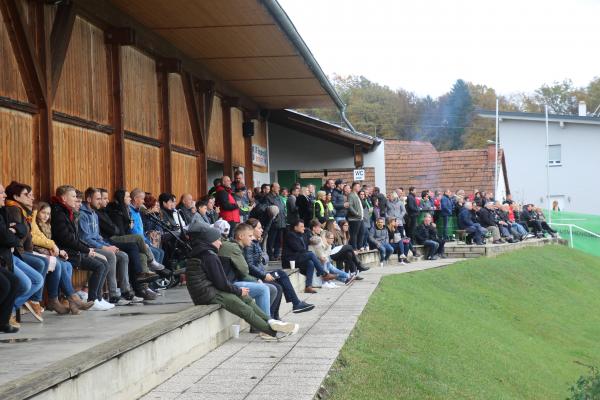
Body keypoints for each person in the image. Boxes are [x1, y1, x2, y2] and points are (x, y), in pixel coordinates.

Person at [185, 224, 299, 341]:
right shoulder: (209, 256)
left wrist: (239, 292)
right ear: (208, 241)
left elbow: (219, 282)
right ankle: (271, 331)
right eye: (217, 240)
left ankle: (270, 320)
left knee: (246, 299)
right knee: (243, 308)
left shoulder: (201, 253)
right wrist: (238, 291)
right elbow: (221, 283)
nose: (220, 243)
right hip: (207, 294)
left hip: (207, 291)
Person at [51, 185, 112, 310]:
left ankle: (97, 298)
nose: (76, 199)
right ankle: (93, 300)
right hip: (68, 253)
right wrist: (86, 249)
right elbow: (66, 239)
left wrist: (87, 249)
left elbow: (75, 238)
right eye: (73, 197)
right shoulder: (59, 214)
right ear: (63, 198)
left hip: (74, 251)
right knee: (100, 265)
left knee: (104, 263)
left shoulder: (67, 212)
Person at [32, 202, 94, 314]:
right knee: (59, 264)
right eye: (43, 213)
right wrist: (56, 250)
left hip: (49, 253)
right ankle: (58, 299)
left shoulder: (48, 225)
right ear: (37, 213)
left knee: (68, 264)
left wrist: (59, 251)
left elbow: (50, 243)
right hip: (38, 253)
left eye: (48, 213)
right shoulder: (34, 224)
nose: (46, 216)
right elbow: (37, 243)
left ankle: (72, 303)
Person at [244, 218, 314, 313]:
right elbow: (250, 265)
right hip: (258, 276)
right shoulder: (249, 245)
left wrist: (263, 259)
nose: (262, 230)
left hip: (262, 273)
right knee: (279, 284)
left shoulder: (256, 243)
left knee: (281, 275)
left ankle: (290, 307)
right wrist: (263, 275)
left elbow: (264, 258)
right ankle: (293, 305)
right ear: (251, 230)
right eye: (259, 228)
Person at [4, 181, 50, 321]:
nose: (31, 197)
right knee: (40, 265)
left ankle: (32, 300)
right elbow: (17, 234)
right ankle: (30, 301)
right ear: (16, 197)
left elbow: (25, 232)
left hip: (19, 250)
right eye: (27, 195)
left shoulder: (23, 211)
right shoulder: (13, 209)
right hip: (15, 251)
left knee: (43, 262)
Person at [79, 188, 133, 305]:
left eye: (100, 199)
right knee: (110, 255)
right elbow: (86, 239)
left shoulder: (94, 213)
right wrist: (106, 248)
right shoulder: (83, 214)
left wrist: (109, 245)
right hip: (88, 247)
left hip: (98, 245)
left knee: (123, 255)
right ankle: (113, 294)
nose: (100, 201)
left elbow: (98, 237)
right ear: (88, 199)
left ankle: (125, 290)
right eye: (97, 199)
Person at [216, 223, 275, 319]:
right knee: (263, 289)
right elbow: (245, 270)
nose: (252, 238)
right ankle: (267, 324)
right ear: (240, 236)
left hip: (234, 282)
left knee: (272, 288)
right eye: (250, 236)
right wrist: (257, 280)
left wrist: (257, 280)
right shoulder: (234, 248)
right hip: (230, 285)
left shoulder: (238, 247)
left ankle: (263, 321)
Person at [282, 219, 336, 293]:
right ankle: (323, 273)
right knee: (310, 254)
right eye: (301, 226)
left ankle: (308, 286)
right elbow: (299, 249)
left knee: (310, 263)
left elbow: (311, 240)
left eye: (303, 226)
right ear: (295, 227)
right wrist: (307, 252)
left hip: (297, 258)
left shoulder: (302, 234)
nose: (303, 228)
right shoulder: (290, 235)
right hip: (289, 260)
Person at [265, 183, 286, 261]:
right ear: (272, 188)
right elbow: (268, 210)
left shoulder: (279, 197)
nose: (279, 189)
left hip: (281, 222)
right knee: (271, 240)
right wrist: (274, 218)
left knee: (279, 240)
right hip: (273, 223)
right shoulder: (268, 197)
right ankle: (270, 255)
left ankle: (276, 255)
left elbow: (283, 208)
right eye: (277, 187)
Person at [347, 181, 364, 250]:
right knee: (354, 234)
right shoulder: (351, 195)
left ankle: (360, 246)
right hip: (354, 219)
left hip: (360, 218)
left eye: (359, 186)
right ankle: (354, 248)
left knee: (362, 232)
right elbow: (350, 206)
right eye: (358, 186)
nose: (359, 187)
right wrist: (356, 213)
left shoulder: (356, 194)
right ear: (354, 187)